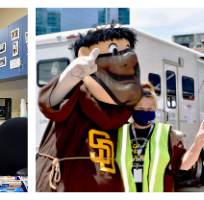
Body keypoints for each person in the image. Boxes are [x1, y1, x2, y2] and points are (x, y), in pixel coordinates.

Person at [36, 23, 142, 192]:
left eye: (128, 48)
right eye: (114, 49)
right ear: (84, 54)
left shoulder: (126, 107)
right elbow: (51, 103)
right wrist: (70, 78)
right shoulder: (76, 93)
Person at [116, 82, 204, 192]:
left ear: (155, 110)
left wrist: (197, 146)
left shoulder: (166, 134)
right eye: (140, 108)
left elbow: (183, 165)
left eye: (150, 108)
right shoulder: (120, 133)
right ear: (132, 108)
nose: (145, 112)